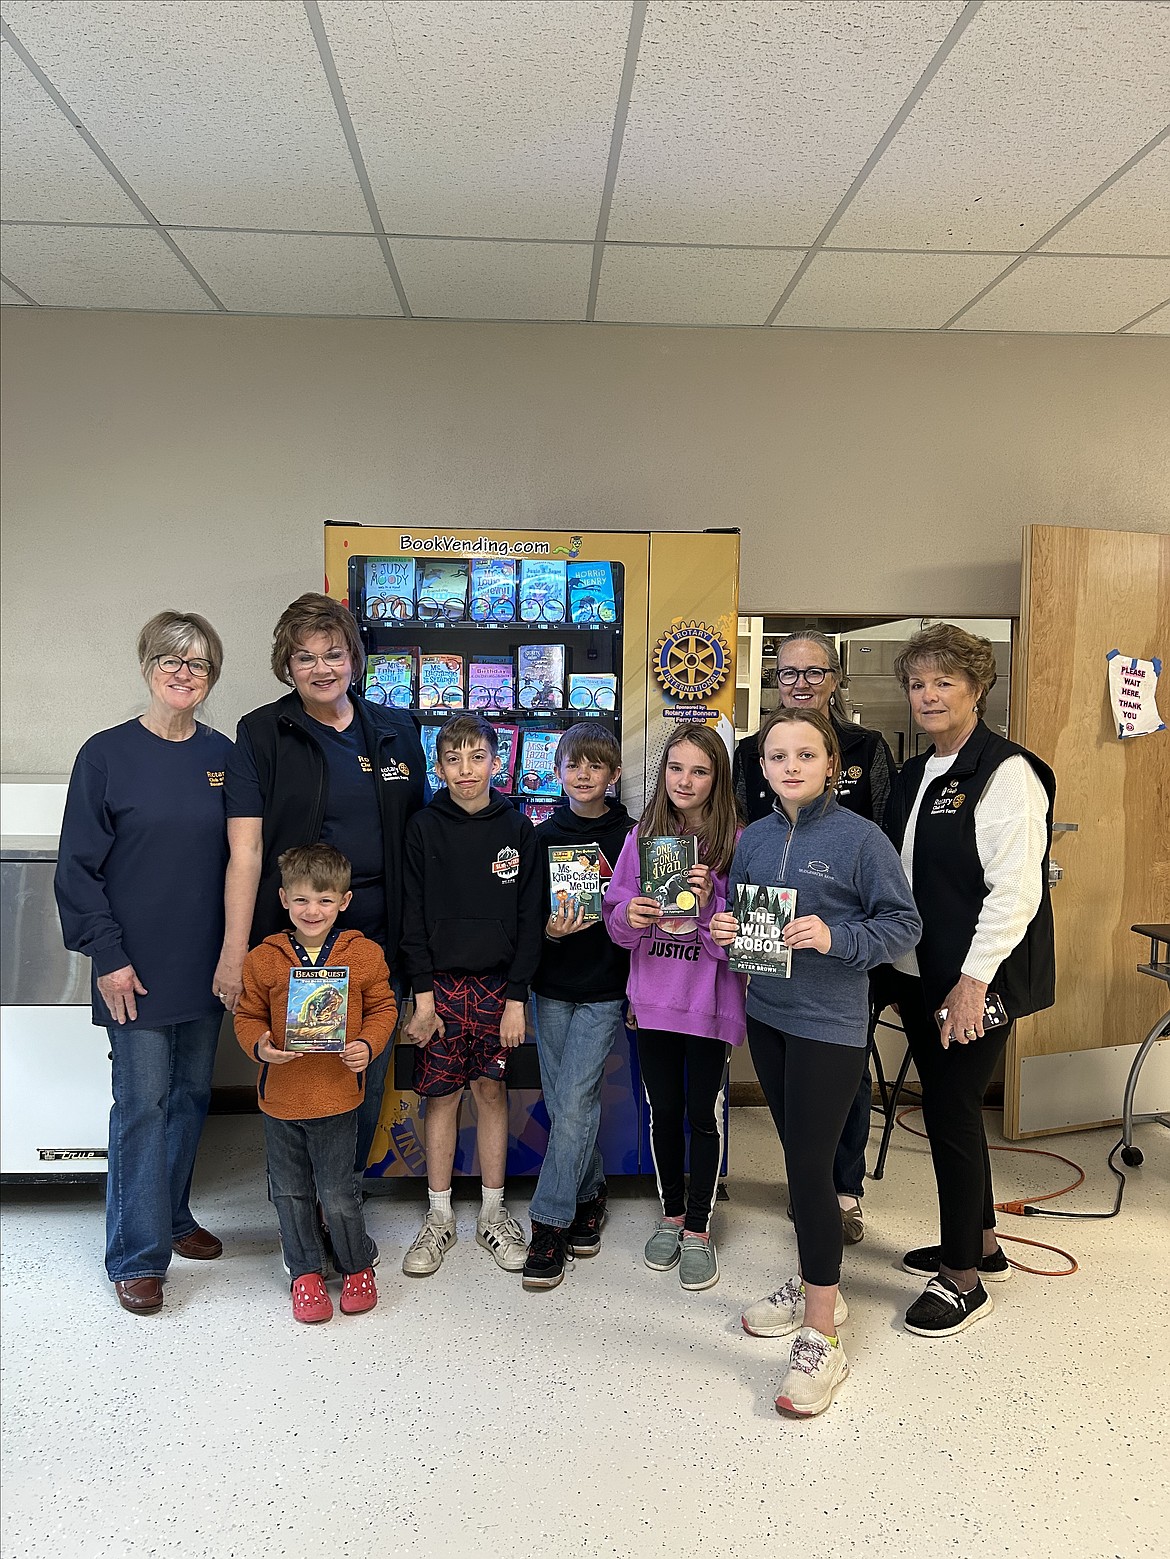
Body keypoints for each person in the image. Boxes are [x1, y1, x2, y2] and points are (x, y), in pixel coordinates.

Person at [712, 708, 920, 1415]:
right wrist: (726, 929)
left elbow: (902, 924)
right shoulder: (755, 838)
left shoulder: (862, 839)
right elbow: (746, 922)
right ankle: (812, 1279)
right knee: (795, 1162)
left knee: (807, 1169)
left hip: (829, 1025)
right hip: (766, 1018)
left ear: (832, 763)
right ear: (762, 767)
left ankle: (821, 1336)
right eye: (777, 755)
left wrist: (836, 935)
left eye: (806, 753)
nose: (791, 765)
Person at [215, 592, 428, 1182]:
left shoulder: (394, 729)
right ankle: (301, 1217)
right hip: (297, 942)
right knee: (300, 1078)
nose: (322, 668)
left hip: (378, 940)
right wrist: (236, 953)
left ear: (354, 659)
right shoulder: (262, 732)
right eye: (305, 657)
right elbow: (246, 851)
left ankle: (341, 1204)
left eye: (333, 653)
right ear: (287, 666)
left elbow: (422, 838)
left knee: (363, 1069)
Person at [55, 611, 233, 1315]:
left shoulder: (221, 756)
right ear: (146, 665)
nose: (184, 672)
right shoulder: (105, 754)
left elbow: (240, 859)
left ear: (211, 676)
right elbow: (77, 867)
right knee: (141, 1105)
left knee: (192, 1097)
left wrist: (235, 952)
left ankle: (172, 1214)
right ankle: (135, 1255)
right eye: (172, 659)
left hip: (204, 963)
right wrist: (107, 954)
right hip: (132, 965)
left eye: (198, 663)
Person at [884, 623, 1054, 1338]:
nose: (928, 694)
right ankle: (981, 1241)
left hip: (971, 980)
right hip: (919, 969)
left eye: (943, 681)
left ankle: (961, 1279)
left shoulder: (1005, 772)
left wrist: (973, 981)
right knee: (950, 1105)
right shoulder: (918, 771)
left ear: (978, 688)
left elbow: (1015, 891)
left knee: (953, 1112)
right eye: (918, 683)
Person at [733, 628, 895, 1245]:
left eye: (814, 672)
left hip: (842, 957)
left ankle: (842, 1190)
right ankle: (811, 1186)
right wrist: (740, 929)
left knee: (844, 1080)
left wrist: (840, 933)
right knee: (792, 1105)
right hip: (773, 966)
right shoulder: (752, 755)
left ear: (834, 679)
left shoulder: (866, 750)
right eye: (789, 672)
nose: (801, 682)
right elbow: (756, 836)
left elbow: (881, 848)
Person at [603, 725, 746, 1293]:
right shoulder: (643, 836)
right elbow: (615, 918)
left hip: (707, 1004)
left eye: (700, 771)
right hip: (655, 1002)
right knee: (662, 1111)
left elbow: (740, 936)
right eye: (675, 769)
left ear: (718, 779)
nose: (685, 781)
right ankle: (671, 1214)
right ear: (662, 774)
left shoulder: (736, 840)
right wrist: (630, 919)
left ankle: (700, 1226)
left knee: (700, 1115)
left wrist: (713, 902)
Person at [399, 715, 543, 1278]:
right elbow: (411, 916)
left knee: (490, 1092)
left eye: (477, 757)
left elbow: (531, 920)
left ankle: (492, 1210)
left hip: (496, 990)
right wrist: (422, 995)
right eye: (453, 759)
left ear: (496, 762)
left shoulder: (519, 831)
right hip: (438, 989)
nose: (466, 770)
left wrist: (516, 998)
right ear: (439, 767)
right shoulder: (422, 828)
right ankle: (438, 1218)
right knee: (439, 1099)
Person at [234, 844, 397, 1323]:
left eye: (325, 901)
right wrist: (261, 1047)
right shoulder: (264, 959)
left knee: (339, 1192)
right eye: (302, 900)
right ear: (284, 899)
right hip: (280, 1099)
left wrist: (367, 1044)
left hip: (337, 1096)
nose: (313, 911)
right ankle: (304, 1272)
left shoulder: (363, 955)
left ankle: (355, 1266)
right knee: (288, 1191)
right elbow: (247, 1016)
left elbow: (385, 1009)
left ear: (344, 902)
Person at [522, 722, 635, 1291]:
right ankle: (590, 1194)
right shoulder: (540, 835)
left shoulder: (635, 835)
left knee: (576, 1099)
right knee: (563, 1099)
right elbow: (525, 918)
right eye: (573, 765)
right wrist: (548, 929)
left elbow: (651, 914)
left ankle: (549, 1221)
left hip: (605, 985)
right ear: (558, 771)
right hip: (552, 984)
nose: (583, 775)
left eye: (595, 766)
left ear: (614, 775)